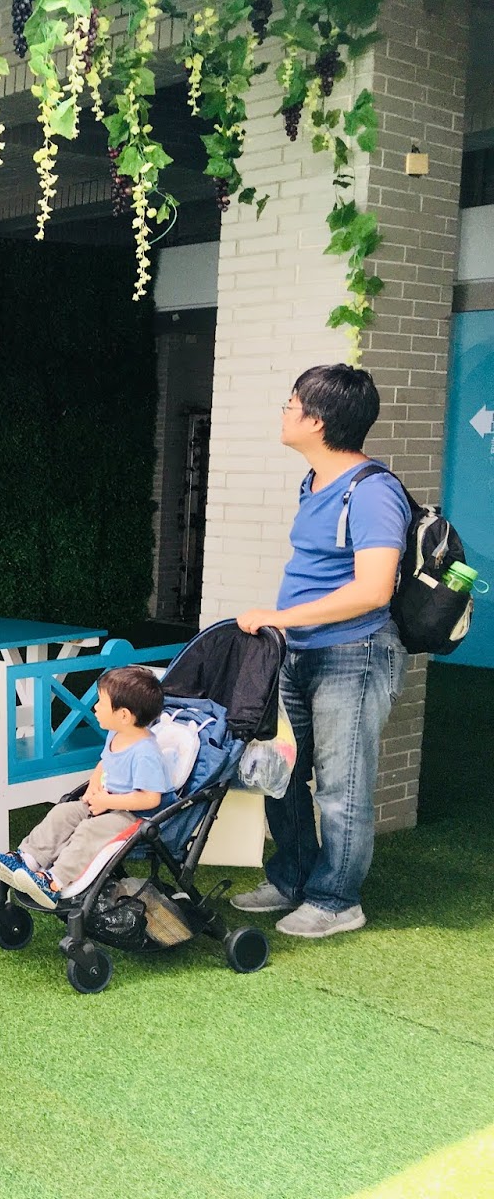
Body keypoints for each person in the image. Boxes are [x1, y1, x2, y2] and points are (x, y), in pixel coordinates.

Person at [234, 363, 408, 938]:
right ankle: (292, 879)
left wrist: (279, 618)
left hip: (354, 654)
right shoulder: (312, 482)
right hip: (297, 652)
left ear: (318, 420)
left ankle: (336, 900)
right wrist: (286, 631)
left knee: (341, 784)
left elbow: (373, 589)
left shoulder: (373, 491)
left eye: (291, 404)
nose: (284, 413)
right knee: (279, 771)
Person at [0, 666, 172, 907]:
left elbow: (150, 799)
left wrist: (107, 801)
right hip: (105, 802)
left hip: (133, 817)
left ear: (124, 715)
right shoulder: (116, 734)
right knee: (63, 813)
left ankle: (54, 881)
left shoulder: (145, 753)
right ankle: (28, 859)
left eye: (101, 703)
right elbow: (104, 763)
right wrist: (94, 785)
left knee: (89, 831)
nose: (96, 707)